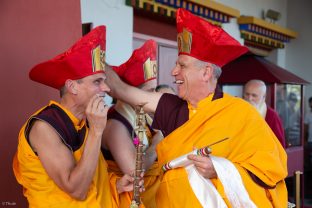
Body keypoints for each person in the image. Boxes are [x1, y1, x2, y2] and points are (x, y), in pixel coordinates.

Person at [105, 8, 288, 207]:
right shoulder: (172, 107)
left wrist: (219, 169)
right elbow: (121, 90)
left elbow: (271, 170)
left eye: (182, 65)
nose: (173, 72)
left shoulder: (241, 113)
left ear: (206, 73)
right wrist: (91, 58)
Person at [12, 26, 139, 208]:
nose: (107, 89)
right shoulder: (45, 127)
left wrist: (116, 185)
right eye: (97, 82)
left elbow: (93, 182)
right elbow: (76, 190)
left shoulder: (85, 122)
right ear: (72, 87)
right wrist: (96, 131)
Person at [102, 40, 163, 208]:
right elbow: (134, 172)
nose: (154, 95)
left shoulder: (143, 116)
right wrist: (157, 144)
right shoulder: (116, 124)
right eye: (150, 91)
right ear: (133, 93)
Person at [243, 79, 286, 148]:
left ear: (263, 97)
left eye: (254, 95)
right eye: (247, 94)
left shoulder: (271, 116)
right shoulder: (238, 110)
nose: (249, 98)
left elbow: (280, 146)